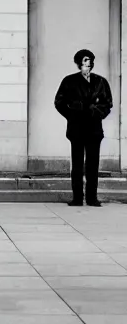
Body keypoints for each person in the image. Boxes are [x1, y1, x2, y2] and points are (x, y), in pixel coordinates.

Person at [54, 50, 113, 207]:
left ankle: (92, 198)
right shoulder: (69, 81)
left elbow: (108, 104)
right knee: (77, 165)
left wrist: (97, 112)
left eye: (91, 60)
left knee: (93, 165)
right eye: (86, 60)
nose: (89, 63)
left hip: (94, 128)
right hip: (77, 128)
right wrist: (72, 114)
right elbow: (59, 102)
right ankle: (77, 198)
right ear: (79, 62)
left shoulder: (100, 82)